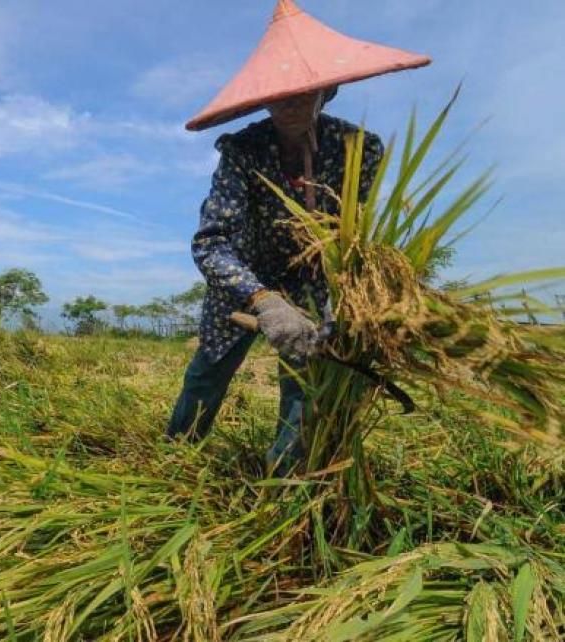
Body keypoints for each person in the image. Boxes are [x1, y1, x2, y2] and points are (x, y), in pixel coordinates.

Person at [168, 0, 430, 475]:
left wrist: (356, 301)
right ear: (262, 97)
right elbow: (211, 242)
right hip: (243, 281)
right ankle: (173, 460)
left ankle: (282, 485)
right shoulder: (243, 150)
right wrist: (264, 300)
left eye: (302, 90)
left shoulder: (357, 149)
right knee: (207, 374)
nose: (289, 102)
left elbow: (358, 241)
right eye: (278, 92)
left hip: (315, 284)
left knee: (304, 389)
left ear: (326, 90)